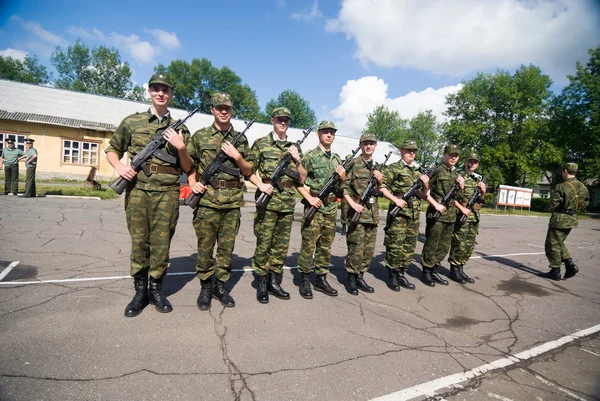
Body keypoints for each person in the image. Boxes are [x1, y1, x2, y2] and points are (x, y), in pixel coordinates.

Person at [105, 73, 193, 317]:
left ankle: (156, 290)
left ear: (171, 94)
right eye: (156, 89)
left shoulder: (181, 128)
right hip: (138, 192)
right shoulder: (132, 122)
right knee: (139, 242)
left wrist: (181, 146)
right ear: (149, 92)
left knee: (161, 243)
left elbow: (188, 167)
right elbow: (112, 149)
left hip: (167, 193)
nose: (160, 93)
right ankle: (139, 292)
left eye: (165, 90)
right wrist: (120, 168)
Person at [187, 92, 253, 310]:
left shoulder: (241, 139)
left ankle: (221, 286)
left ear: (232, 110)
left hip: (232, 204)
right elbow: (188, 165)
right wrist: (192, 183)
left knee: (226, 249)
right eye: (219, 108)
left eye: (227, 108)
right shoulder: (200, 136)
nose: (224, 111)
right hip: (206, 202)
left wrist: (237, 156)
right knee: (205, 248)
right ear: (212, 110)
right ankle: (206, 287)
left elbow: (248, 170)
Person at [248, 107, 306, 304]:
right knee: (264, 244)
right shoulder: (261, 144)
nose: (283, 123)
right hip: (268, 202)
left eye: (287, 120)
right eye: (280, 119)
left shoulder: (294, 147)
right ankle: (262, 283)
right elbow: (248, 170)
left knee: (280, 247)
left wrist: (297, 160)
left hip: (287, 204)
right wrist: (261, 185)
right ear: (272, 120)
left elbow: (302, 178)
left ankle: (274, 281)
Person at [296, 121, 346, 299]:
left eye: (332, 132)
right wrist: (309, 198)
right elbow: (298, 182)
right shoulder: (310, 157)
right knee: (309, 245)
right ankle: (304, 279)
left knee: (325, 246)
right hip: (315, 208)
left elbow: (342, 188)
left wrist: (343, 177)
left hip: (331, 208)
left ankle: (321, 279)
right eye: (325, 132)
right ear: (318, 134)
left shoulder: (337, 159)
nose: (329, 135)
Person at [379, 140, 429, 292]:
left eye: (413, 150)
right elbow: (382, 187)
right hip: (399, 214)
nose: (411, 153)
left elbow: (424, 195)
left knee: (409, 246)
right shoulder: (393, 168)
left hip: (413, 214)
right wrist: (395, 200)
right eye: (408, 150)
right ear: (401, 151)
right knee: (395, 245)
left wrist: (426, 184)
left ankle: (401, 273)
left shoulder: (419, 171)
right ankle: (392, 275)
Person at [342, 132, 382, 295]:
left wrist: (379, 181)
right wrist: (352, 204)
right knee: (356, 249)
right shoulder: (353, 164)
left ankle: (360, 276)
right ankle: (351, 278)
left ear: (375, 146)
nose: (368, 146)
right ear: (360, 145)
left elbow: (379, 191)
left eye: (371, 143)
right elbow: (344, 187)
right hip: (357, 214)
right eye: (365, 143)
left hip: (372, 215)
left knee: (368, 250)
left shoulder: (377, 167)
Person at [420, 144, 465, 287]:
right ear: (444, 155)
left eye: (456, 155)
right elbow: (424, 190)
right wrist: (435, 204)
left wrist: (462, 187)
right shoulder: (437, 170)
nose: (453, 157)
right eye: (451, 154)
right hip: (437, 213)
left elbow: (458, 197)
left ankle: (434, 269)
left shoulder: (457, 175)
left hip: (451, 214)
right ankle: (426, 271)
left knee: (444, 246)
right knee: (432, 243)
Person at [539, 162, 589, 281]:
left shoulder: (561, 186)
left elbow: (553, 204)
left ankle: (555, 271)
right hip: (572, 218)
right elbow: (583, 205)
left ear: (565, 171)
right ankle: (569, 264)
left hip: (559, 219)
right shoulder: (582, 187)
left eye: (562, 171)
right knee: (558, 242)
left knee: (551, 245)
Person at [448, 152, 486, 284]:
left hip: (474, 217)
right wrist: (462, 208)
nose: (472, 164)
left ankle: (461, 268)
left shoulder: (478, 180)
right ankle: (454, 270)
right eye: (470, 161)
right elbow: (452, 198)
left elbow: (481, 200)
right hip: (462, 216)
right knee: (459, 244)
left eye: (475, 162)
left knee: (469, 246)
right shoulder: (459, 177)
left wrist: (483, 191)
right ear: (465, 162)